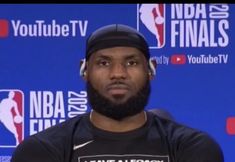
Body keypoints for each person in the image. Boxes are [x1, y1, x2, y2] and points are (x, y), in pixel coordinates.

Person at [11, 24, 224, 162]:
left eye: (131, 62)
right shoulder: (43, 150)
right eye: (104, 63)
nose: (118, 73)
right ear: (84, 71)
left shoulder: (191, 148)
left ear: (151, 70)